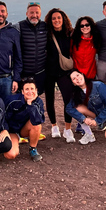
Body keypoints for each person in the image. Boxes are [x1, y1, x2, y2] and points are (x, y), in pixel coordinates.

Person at [65, 70, 106, 145]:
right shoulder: (77, 93)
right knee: (77, 107)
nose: (77, 79)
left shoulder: (98, 85)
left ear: (82, 75)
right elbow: (68, 108)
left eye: (78, 75)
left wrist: (98, 120)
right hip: (99, 114)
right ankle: (88, 134)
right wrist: (84, 119)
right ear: (73, 83)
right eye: (74, 78)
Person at [44, 8, 75, 141]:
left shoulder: (70, 33)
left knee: (68, 100)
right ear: (50, 21)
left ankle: (68, 129)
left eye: (59, 18)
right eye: (54, 18)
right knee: (49, 100)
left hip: (65, 72)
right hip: (48, 71)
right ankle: (54, 126)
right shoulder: (46, 34)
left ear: (63, 19)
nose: (56, 20)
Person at [3, 77, 45, 162]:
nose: (30, 92)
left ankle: (33, 149)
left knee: (36, 125)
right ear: (22, 91)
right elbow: (3, 118)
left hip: (24, 129)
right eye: (27, 89)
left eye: (32, 89)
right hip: (11, 131)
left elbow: (38, 121)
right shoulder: (12, 101)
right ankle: (10, 142)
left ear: (36, 90)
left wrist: (30, 105)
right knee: (11, 155)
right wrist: (5, 131)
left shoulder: (38, 102)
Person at [15, 2, 47, 94]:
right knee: (23, 99)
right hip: (24, 74)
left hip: (40, 73)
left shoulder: (45, 26)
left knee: (37, 97)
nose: (34, 15)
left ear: (40, 14)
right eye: (31, 13)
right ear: (27, 14)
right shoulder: (19, 27)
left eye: (37, 13)